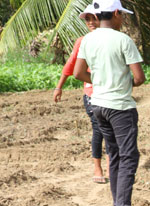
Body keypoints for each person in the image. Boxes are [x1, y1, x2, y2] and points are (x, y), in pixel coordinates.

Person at [74, 0, 150, 206]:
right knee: (129, 156)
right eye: (122, 15)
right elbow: (139, 78)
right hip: (120, 107)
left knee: (114, 155)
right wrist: (121, 84)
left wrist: (100, 82)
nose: (123, 19)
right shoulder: (123, 40)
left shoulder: (88, 39)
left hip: (98, 105)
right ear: (116, 13)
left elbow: (78, 73)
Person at [53, 4, 107, 184]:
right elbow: (71, 66)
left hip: (110, 92)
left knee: (113, 131)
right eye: (88, 19)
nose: (91, 22)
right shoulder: (82, 41)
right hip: (92, 93)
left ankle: (111, 164)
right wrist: (59, 87)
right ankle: (97, 167)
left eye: (95, 18)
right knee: (98, 129)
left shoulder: (112, 39)